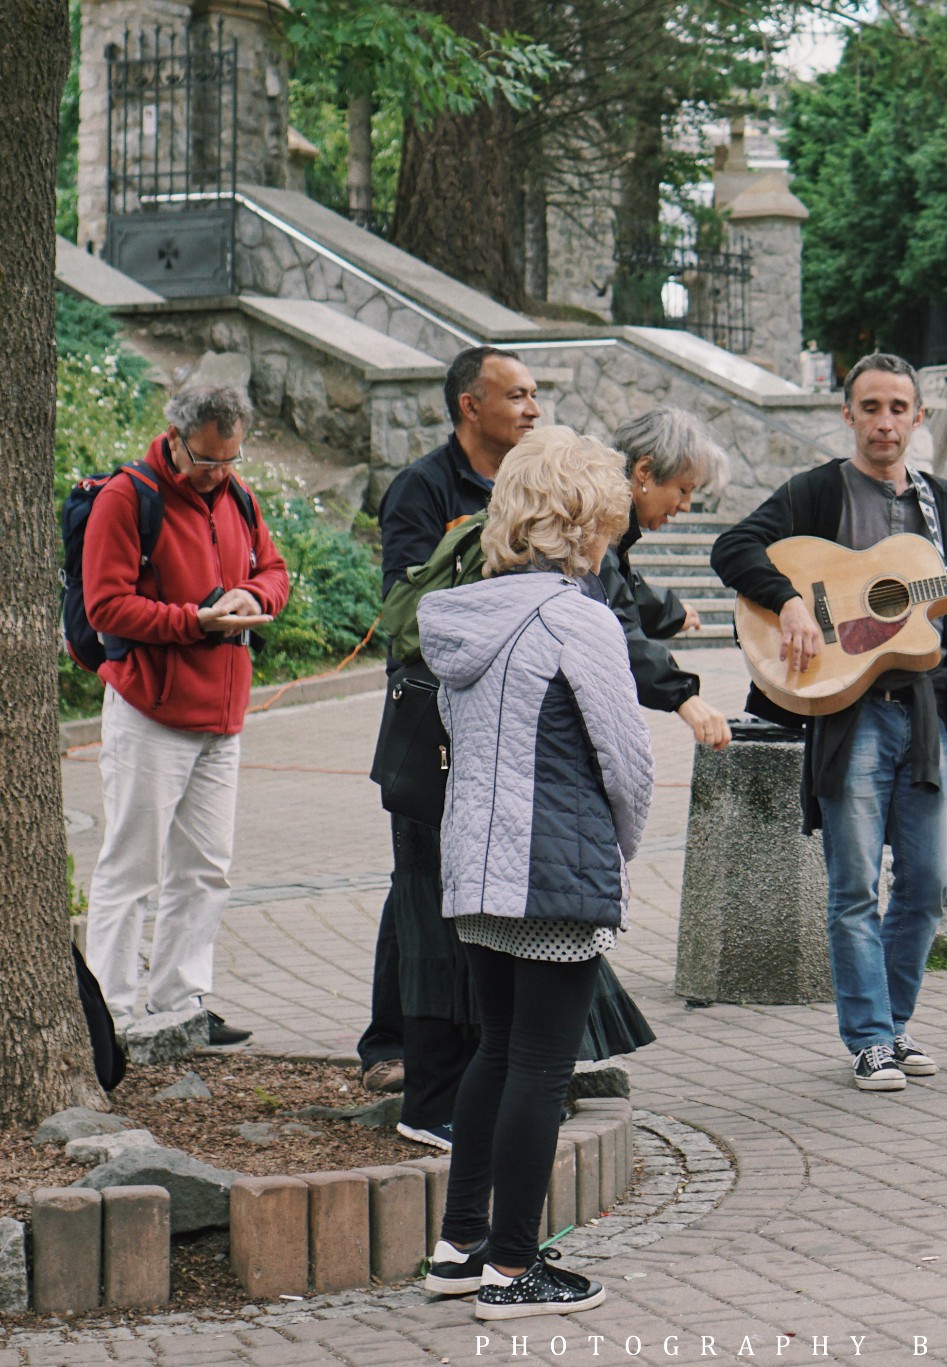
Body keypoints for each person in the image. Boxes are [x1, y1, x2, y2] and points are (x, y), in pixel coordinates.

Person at [710, 353, 947, 1092]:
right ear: (847, 415)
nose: (886, 421)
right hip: (850, 716)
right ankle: (870, 1039)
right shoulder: (816, 493)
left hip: (928, 721)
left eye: (899, 408)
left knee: (926, 882)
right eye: (871, 406)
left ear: (918, 417)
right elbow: (733, 549)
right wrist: (787, 599)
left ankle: (894, 1023)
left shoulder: (946, 505)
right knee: (853, 885)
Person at [417, 426, 653, 1321]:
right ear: (582, 518)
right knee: (542, 1067)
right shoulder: (576, 618)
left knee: (498, 1051)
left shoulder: (469, 615)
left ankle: (459, 1246)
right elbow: (625, 761)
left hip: (476, 874)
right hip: (553, 870)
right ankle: (515, 1268)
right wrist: (620, 849)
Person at [361, 346, 540, 1141]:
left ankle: (459, 1052)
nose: (532, 408)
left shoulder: (526, 483)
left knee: (451, 891)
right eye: (518, 395)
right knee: (421, 888)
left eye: (536, 395)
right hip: (429, 725)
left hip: (497, 725)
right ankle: (397, 1048)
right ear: (471, 405)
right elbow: (408, 612)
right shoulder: (423, 490)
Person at [81, 383, 289, 1046]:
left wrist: (251, 595)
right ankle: (108, 1014)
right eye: (205, 461)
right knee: (131, 866)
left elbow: (277, 571)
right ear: (174, 438)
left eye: (229, 460)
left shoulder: (239, 496)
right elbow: (105, 606)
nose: (218, 474)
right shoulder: (126, 497)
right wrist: (197, 620)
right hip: (150, 710)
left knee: (206, 866)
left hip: (221, 715)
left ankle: (180, 1000)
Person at [605, 405, 732, 749]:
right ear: (644, 471)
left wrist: (672, 612)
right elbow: (613, 625)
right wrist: (684, 698)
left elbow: (618, 587)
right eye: (683, 490)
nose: (686, 505)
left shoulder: (607, 519)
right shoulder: (593, 526)